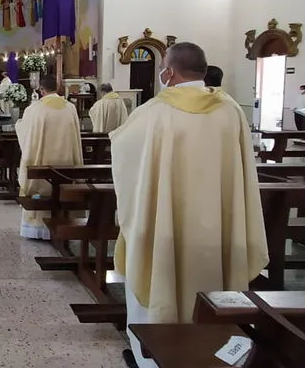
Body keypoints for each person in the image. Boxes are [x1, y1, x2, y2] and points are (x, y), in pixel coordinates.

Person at [110, 42, 268, 368]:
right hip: (219, 228)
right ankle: (217, 350)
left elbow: (124, 153)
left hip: (166, 230)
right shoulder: (231, 111)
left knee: (158, 280)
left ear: (169, 71)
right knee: (215, 279)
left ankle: (152, 358)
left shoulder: (154, 112)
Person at [15, 75, 83, 240]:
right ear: (57, 88)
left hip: (42, 166)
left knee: (41, 187)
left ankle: (39, 229)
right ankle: (65, 223)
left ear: (41, 90)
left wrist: (18, 126)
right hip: (67, 165)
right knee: (62, 187)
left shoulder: (34, 109)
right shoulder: (70, 108)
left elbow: (27, 138)